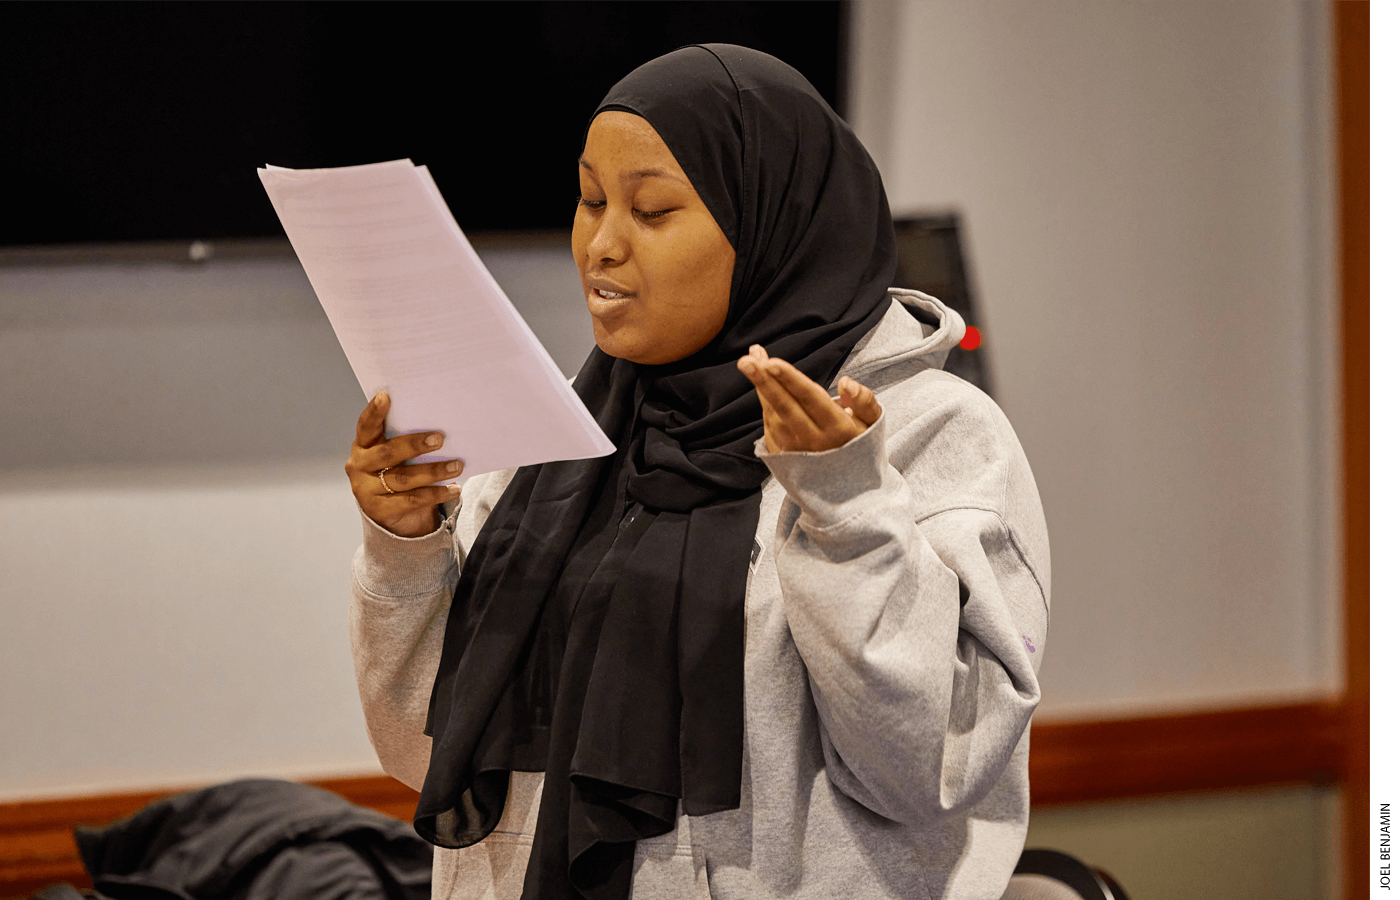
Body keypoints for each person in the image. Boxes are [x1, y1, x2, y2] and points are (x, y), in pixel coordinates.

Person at [345, 44, 1050, 900]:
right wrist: (406, 548)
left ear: (766, 225)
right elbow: (426, 751)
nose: (600, 246)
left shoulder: (927, 432)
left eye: (651, 211)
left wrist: (846, 510)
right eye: (590, 200)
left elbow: (923, 769)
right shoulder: (571, 436)